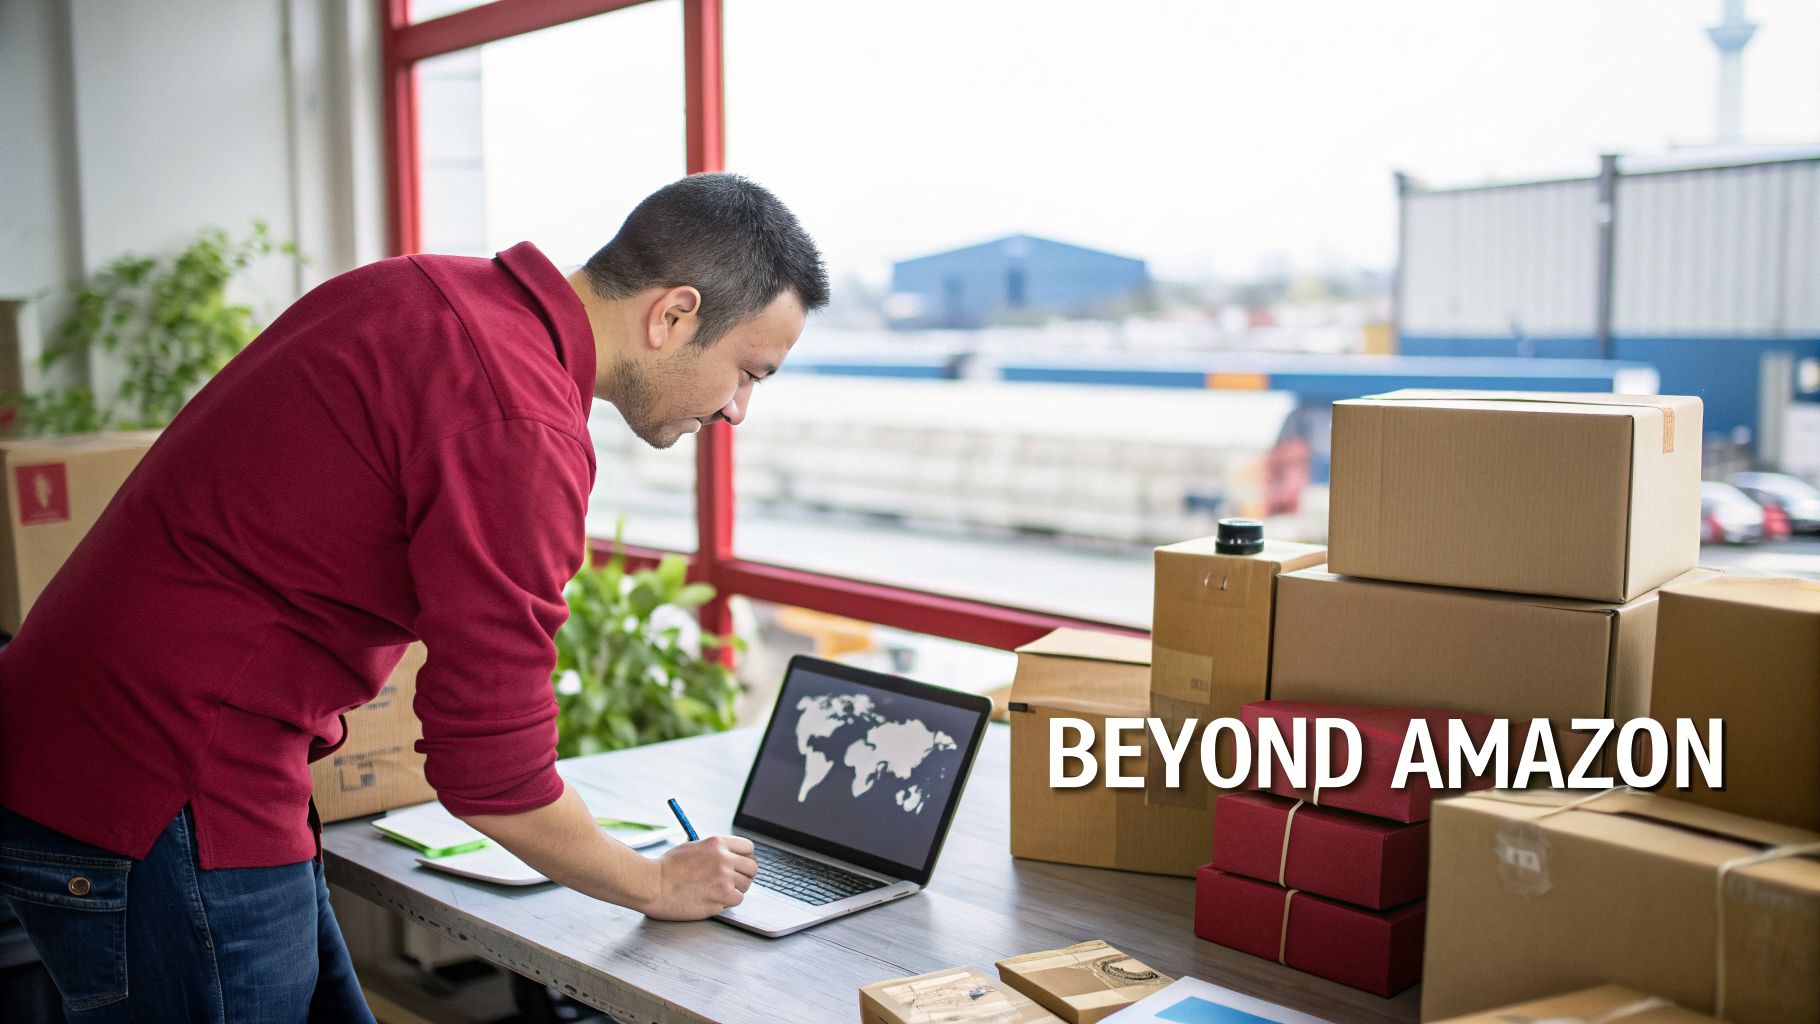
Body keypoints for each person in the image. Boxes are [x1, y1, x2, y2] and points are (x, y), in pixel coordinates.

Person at [0, 173, 829, 1021]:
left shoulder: (422, 290)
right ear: (674, 315)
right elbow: (493, 775)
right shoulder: (519, 422)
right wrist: (655, 880)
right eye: (747, 372)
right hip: (163, 781)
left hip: (120, 746)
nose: (738, 411)